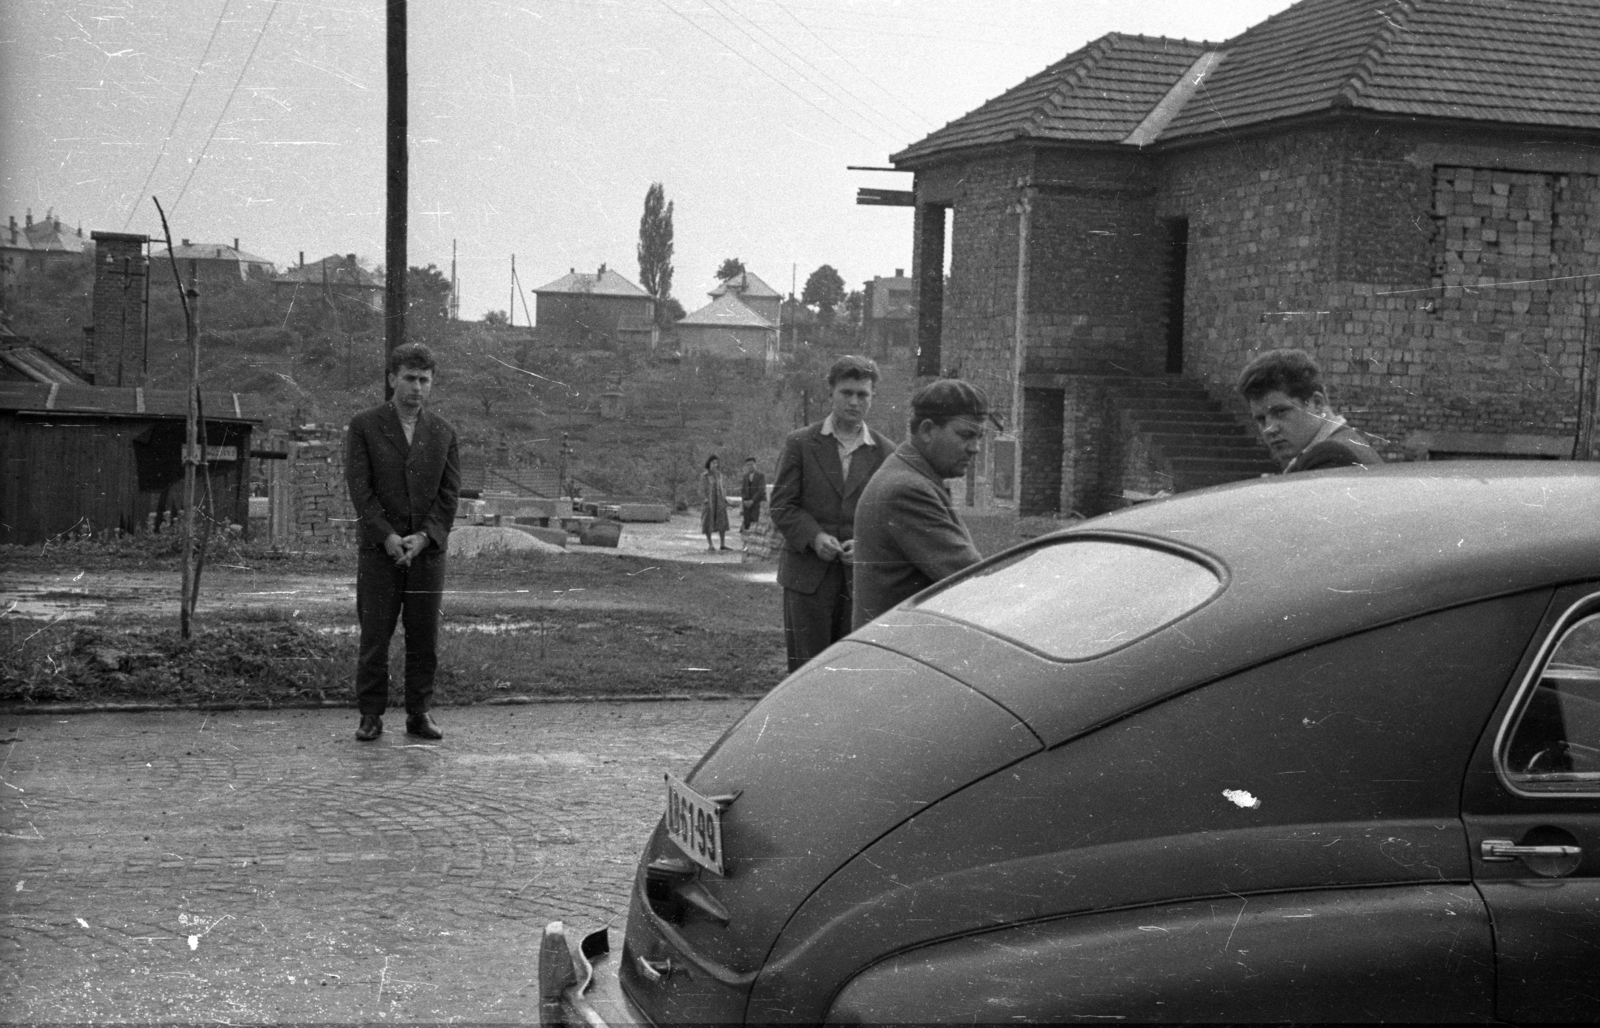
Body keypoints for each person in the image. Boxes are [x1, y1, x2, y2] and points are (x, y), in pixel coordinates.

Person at [345, 343, 460, 742]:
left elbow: (449, 496)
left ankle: (419, 713)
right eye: (409, 378)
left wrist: (426, 537)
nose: (416, 387)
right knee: (375, 636)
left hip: (426, 555)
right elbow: (361, 491)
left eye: (424, 380)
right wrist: (388, 536)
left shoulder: (444, 432)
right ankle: (371, 715)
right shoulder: (364, 426)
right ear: (392, 378)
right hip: (380, 552)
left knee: (423, 636)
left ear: (433, 383)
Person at [769, 355, 891, 671]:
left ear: (873, 397)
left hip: (859, 583)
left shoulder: (885, 452)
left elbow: (890, 518)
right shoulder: (800, 443)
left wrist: (866, 546)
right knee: (805, 672)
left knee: (850, 672)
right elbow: (782, 505)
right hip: (807, 579)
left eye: (862, 394)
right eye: (846, 393)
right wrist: (814, 536)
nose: (854, 402)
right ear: (831, 393)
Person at [852, 379, 994, 630]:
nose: (975, 448)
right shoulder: (908, 489)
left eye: (980, 437)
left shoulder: (908, 473)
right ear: (927, 430)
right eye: (966, 435)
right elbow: (971, 578)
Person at [1237, 348, 1383, 473]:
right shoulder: (1346, 444)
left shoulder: (1332, 456)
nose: (1269, 429)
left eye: (1280, 412)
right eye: (1261, 419)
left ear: (1317, 403)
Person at [701, 454, 730, 551]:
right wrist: (705, 499)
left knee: (722, 521)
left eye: (716, 463)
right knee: (708, 522)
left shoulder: (719, 476)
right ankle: (710, 544)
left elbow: (724, 487)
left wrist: (724, 498)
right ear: (709, 463)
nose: (715, 465)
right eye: (713, 462)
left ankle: (722, 544)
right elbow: (701, 489)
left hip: (719, 501)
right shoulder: (705, 476)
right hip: (709, 501)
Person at [739, 456, 767, 533]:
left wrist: (753, 500)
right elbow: (743, 490)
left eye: (751, 464)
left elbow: (761, 490)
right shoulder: (745, 476)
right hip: (747, 504)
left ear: (755, 464)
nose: (750, 467)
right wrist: (745, 500)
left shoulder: (761, 475)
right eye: (748, 465)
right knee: (747, 524)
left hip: (757, 503)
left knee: (756, 523)